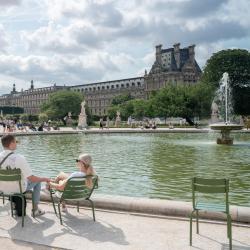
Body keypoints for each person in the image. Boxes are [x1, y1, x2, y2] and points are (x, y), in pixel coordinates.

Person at [0, 134, 51, 216]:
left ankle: (13, 202)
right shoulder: (19, 158)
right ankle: (35, 210)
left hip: (3, 190)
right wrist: (45, 179)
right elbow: (32, 178)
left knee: (20, 179)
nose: (16, 143)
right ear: (12, 143)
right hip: (18, 189)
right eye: (16, 141)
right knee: (37, 181)